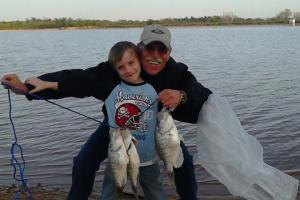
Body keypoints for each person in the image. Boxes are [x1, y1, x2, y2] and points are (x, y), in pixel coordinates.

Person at [1, 24, 212, 200]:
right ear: (139, 49)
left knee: (183, 165)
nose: (155, 55)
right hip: (115, 126)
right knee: (83, 163)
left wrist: (181, 95)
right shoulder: (119, 67)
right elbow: (81, 79)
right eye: (149, 49)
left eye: (162, 50)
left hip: (157, 128)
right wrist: (26, 88)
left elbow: (202, 95)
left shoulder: (176, 73)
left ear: (169, 53)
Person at [25, 41, 167, 199]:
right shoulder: (110, 88)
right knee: (109, 193)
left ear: (139, 60)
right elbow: (78, 86)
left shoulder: (156, 89)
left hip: (148, 159)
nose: (128, 69)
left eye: (131, 63)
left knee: (155, 193)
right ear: (115, 70)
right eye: (121, 67)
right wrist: (48, 83)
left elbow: (172, 108)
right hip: (117, 157)